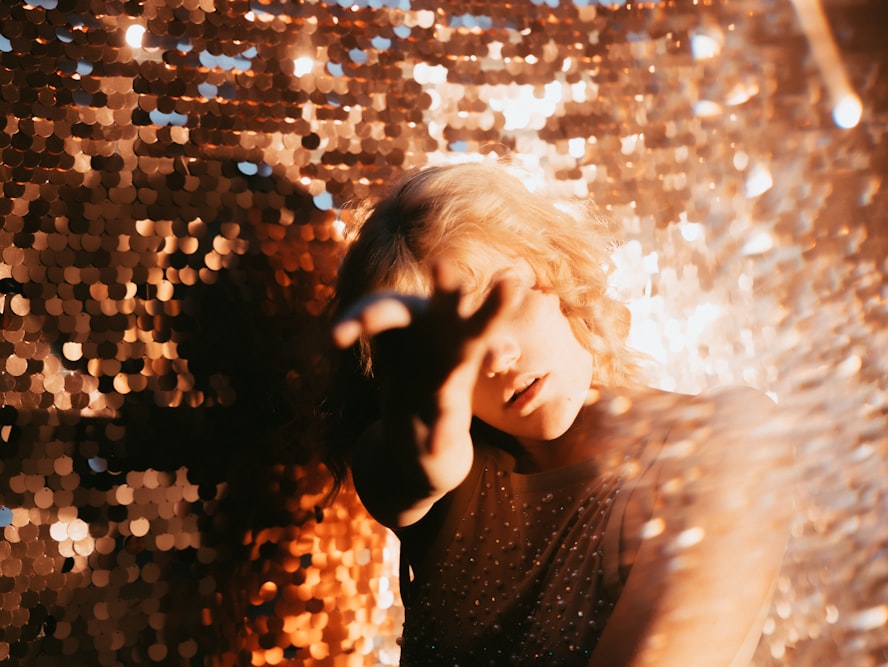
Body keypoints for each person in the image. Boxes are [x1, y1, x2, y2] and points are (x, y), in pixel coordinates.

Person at [326, 161, 793, 666]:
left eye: (495, 301)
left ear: (558, 270)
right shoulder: (417, 464)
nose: (497, 356)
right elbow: (417, 466)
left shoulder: (725, 438)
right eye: (446, 347)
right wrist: (431, 405)